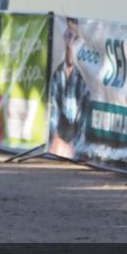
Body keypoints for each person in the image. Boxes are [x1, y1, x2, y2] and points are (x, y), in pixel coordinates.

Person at [47, 18, 90, 159]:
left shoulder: (84, 80)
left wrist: (73, 148)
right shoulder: (57, 75)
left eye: (75, 38)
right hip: (57, 148)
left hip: (73, 151)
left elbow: (82, 125)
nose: (70, 42)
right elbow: (52, 116)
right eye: (68, 35)